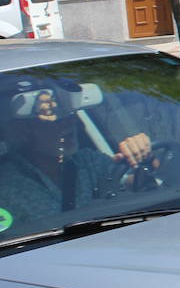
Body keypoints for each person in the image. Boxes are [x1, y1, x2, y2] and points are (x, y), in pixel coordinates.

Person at [0, 84, 153, 231]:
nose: (70, 122)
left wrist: (143, 156)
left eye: (70, 114)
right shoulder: (6, 185)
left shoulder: (89, 161)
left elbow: (134, 181)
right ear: (25, 129)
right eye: (54, 115)